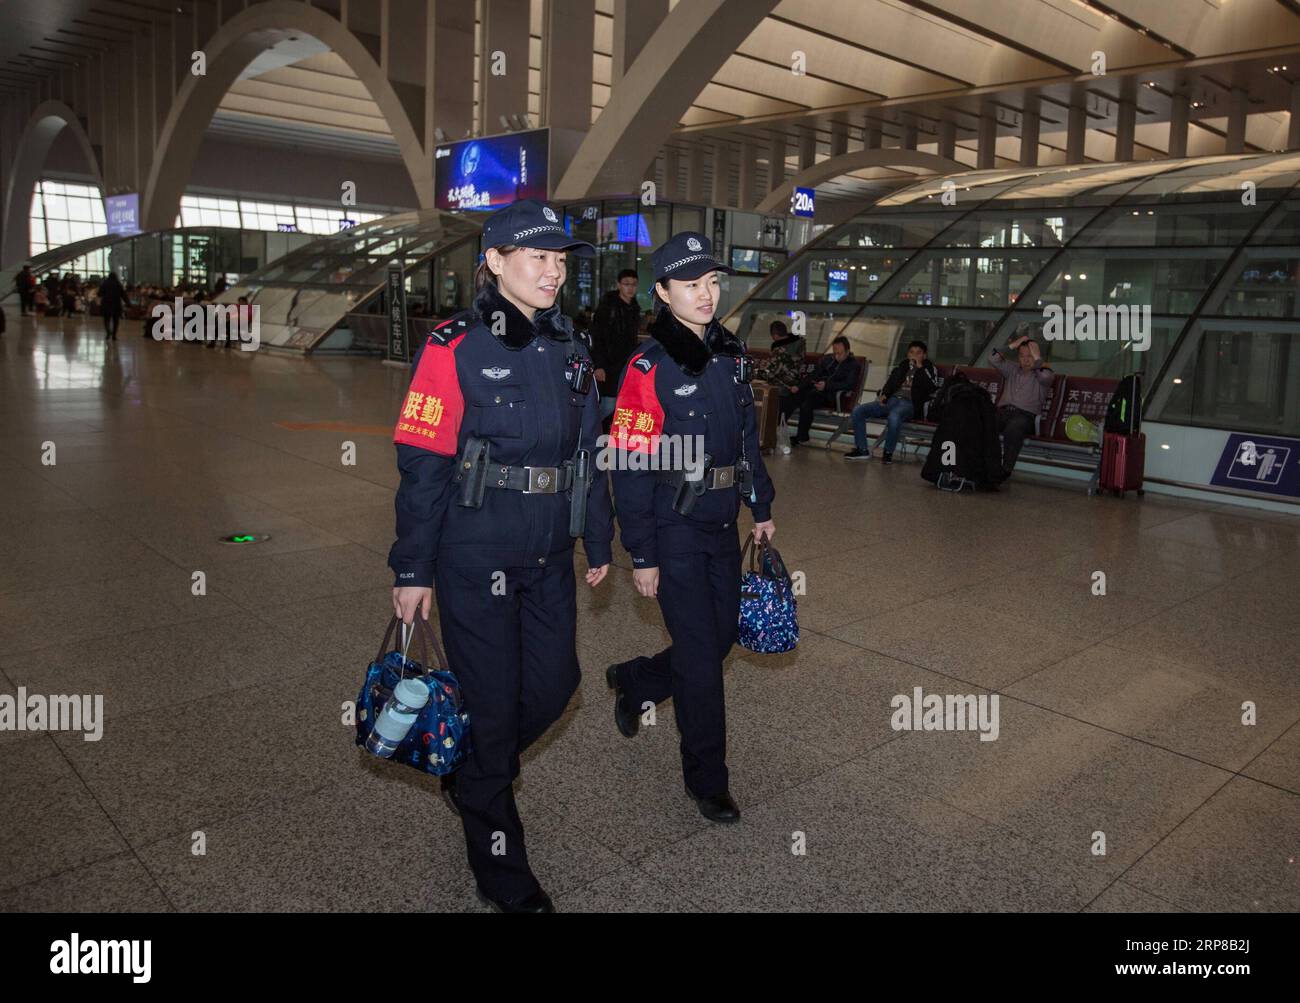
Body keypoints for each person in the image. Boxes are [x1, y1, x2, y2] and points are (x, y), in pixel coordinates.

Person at [388, 198, 611, 914]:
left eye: (559, 260)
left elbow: (589, 454)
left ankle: (473, 772)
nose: (553, 272)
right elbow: (422, 463)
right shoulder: (453, 346)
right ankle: (503, 870)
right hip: (473, 551)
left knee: (554, 685)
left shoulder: (571, 348)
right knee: (489, 699)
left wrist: (599, 539)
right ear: (494, 262)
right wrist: (412, 567)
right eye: (537, 257)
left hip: (548, 550)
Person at [604, 231, 776, 824]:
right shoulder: (646, 366)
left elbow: (747, 441)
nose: (706, 294)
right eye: (691, 284)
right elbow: (626, 463)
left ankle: (638, 678)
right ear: (662, 292)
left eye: (711, 282)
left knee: (722, 635)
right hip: (671, 524)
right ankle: (708, 780)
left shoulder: (731, 356)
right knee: (702, 658)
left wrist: (762, 503)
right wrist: (642, 552)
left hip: (722, 521)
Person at [846, 339, 938, 463]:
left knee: (894, 416)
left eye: (918, 353)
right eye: (912, 352)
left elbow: (932, 387)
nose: (915, 355)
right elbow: (890, 384)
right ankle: (862, 450)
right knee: (858, 410)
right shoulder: (903, 365)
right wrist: (884, 394)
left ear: (924, 355)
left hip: (909, 404)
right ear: (908, 354)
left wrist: (920, 367)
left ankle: (888, 452)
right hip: (891, 401)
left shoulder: (929, 368)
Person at [989, 333, 1054, 477]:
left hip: (1025, 416)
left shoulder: (1045, 373)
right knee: (983, 421)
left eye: (1030, 356)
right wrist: (1013, 345)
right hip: (1003, 412)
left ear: (1037, 356)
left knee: (1013, 429)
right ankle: (983, 463)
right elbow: (993, 358)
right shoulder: (1012, 369)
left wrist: (1037, 359)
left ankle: (1004, 470)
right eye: (1022, 356)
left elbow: (1045, 377)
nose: (1026, 360)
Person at [780, 335, 862, 446]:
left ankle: (802, 437)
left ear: (847, 351)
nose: (836, 356)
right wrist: (799, 386)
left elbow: (849, 384)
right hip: (816, 389)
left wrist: (827, 386)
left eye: (840, 353)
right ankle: (776, 428)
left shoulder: (853, 365)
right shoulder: (828, 359)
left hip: (831, 395)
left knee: (807, 404)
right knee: (790, 397)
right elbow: (814, 375)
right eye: (835, 352)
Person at [589, 268, 641, 429]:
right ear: (619, 285)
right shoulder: (608, 307)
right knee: (608, 404)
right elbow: (596, 337)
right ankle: (586, 432)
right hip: (609, 364)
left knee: (619, 404)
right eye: (626, 284)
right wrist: (599, 365)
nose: (630, 288)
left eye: (633, 284)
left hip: (624, 364)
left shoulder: (634, 307)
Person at [98, 272, 124, 341]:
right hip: (116, 304)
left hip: (106, 303)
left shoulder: (104, 283)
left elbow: (99, 293)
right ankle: (114, 335)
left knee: (106, 320)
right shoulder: (118, 284)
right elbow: (123, 294)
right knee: (116, 321)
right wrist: (128, 303)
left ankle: (108, 332)